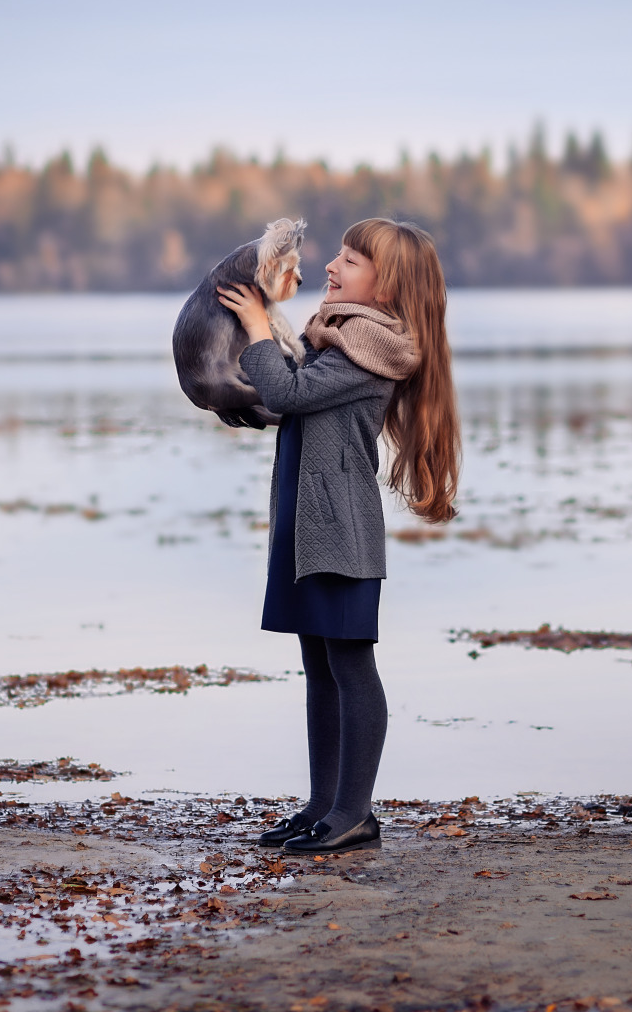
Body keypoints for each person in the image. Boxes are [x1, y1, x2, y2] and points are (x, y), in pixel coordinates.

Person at [218, 218, 459, 854]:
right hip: (308, 524)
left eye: (352, 260)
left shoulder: (372, 347)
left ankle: (354, 812)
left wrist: (257, 328)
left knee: (350, 667)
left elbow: (288, 391)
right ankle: (323, 805)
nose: (332, 265)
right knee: (319, 668)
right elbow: (286, 400)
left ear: (387, 288)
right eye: (342, 253)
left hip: (339, 530)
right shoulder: (336, 337)